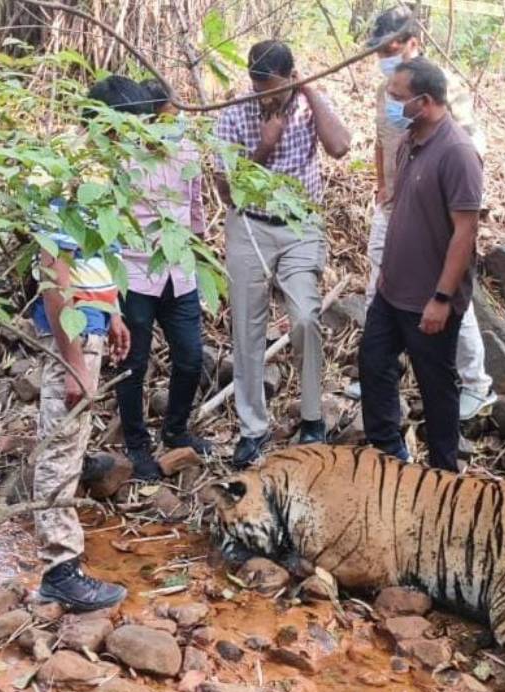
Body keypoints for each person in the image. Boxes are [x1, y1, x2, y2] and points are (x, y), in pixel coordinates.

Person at [24, 78, 147, 611]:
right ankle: (59, 568)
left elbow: (98, 259)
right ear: (106, 124)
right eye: (131, 129)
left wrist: (114, 312)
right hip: (71, 330)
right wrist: (75, 360)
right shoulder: (64, 177)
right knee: (61, 445)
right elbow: (55, 273)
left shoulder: (103, 179)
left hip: (92, 321)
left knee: (67, 441)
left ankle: (61, 558)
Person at [347, 6, 496, 421]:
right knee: (382, 290)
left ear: (413, 42)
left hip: (436, 208)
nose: (383, 57)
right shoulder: (389, 90)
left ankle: (475, 382)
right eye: (378, 51)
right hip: (395, 205)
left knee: (444, 300)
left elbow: (468, 155)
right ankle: (381, 372)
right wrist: (383, 186)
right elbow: (382, 138)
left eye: (390, 48)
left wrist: (455, 209)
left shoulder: (443, 89)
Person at [214, 40, 351, 468]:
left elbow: (341, 146)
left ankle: (312, 418)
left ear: (291, 77)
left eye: (270, 85)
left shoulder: (310, 104)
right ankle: (253, 427)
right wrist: (264, 146)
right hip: (249, 223)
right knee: (247, 326)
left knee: (306, 317)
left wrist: (309, 93)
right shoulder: (236, 113)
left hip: (300, 226)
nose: (263, 94)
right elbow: (225, 188)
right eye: (256, 83)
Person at [358, 58, 483, 471]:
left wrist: (442, 298)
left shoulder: (458, 153)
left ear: (425, 101)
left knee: (436, 387)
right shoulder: (410, 140)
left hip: (428, 298)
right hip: (392, 290)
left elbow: (465, 233)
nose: (390, 103)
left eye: (397, 97)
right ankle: (388, 452)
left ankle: (444, 472)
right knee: (373, 363)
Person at [100, 76, 214, 482]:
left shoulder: (186, 148)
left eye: (177, 114)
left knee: (191, 356)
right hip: (135, 273)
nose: (175, 121)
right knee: (134, 362)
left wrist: (200, 252)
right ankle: (136, 444)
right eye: (167, 115)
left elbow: (194, 203)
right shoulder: (121, 156)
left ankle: (176, 429)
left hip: (179, 271)